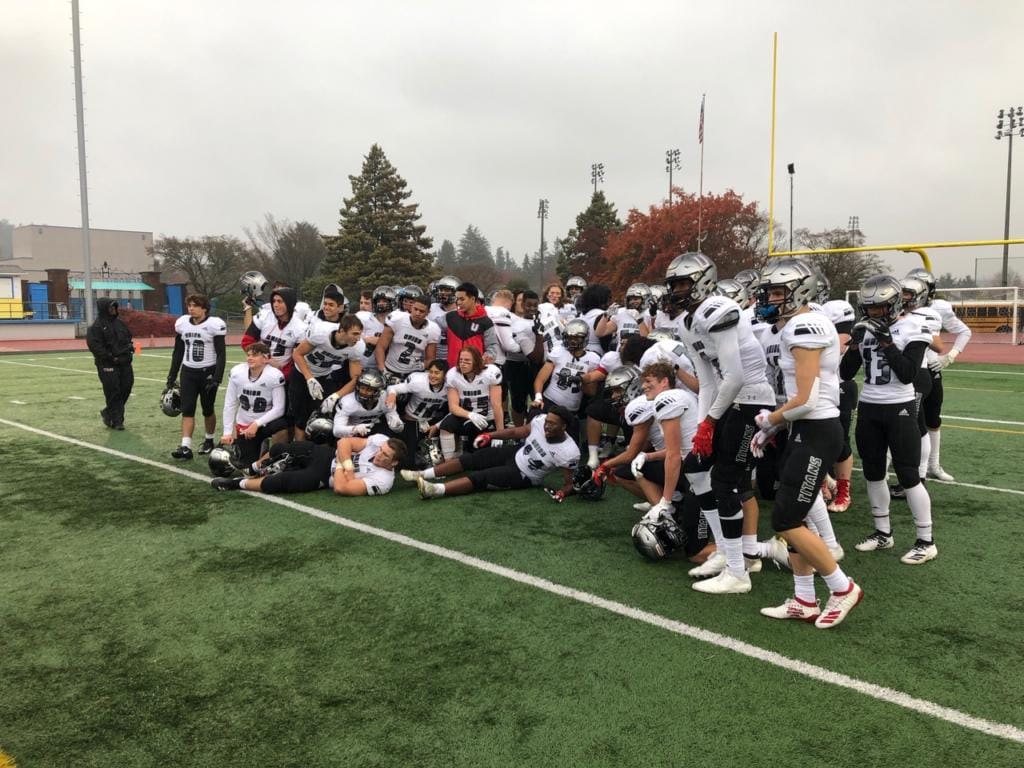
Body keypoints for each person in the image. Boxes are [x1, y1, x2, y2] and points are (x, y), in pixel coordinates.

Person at [750, 258, 862, 628]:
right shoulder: (795, 325)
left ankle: (842, 587)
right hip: (804, 429)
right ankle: (804, 598)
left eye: (777, 292)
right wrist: (774, 429)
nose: (769, 298)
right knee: (790, 514)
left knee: (786, 518)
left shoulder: (804, 325)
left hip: (816, 428)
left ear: (798, 292)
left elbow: (807, 398)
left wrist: (771, 419)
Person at [667, 252, 776, 594]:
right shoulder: (686, 323)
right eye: (674, 284)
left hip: (752, 399)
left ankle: (737, 572)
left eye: (683, 283)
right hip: (729, 400)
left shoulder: (718, 309)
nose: (677, 290)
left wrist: (711, 420)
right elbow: (708, 381)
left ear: (702, 280)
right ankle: (726, 551)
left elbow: (735, 376)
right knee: (695, 468)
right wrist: (703, 426)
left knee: (726, 480)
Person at [841, 275, 937, 565]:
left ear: (894, 305)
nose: (873, 314)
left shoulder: (914, 327)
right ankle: (883, 532)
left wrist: (887, 342)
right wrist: (856, 345)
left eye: (879, 308)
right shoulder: (865, 329)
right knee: (872, 471)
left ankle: (926, 540)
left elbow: (908, 373)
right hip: (870, 406)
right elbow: (845, 373)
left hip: (900, 407)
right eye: (868, 308)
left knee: (908, 475)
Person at [403, 406, 580, 500]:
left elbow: (569, 482)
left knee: (481, 477)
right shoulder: (540, 421)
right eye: (547, 421)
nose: (547, 426)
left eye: (553, 424)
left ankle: (436, 490)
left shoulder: (569, 451)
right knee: (471, 459)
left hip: (524, 475)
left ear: (564, 427)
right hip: (516, 453)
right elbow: (517, 432)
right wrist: (489, 435)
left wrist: (564, 492)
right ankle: (421, 474)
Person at [905, 267, 973, 481]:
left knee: (932, 419)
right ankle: (904, 465)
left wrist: (950, 356)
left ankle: (933, 464)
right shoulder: (900, 308)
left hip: (930, 369)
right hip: (908, 370)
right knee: (905, 419)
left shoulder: (938, 309)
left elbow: (964, 331)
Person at [212, 434, 404, 496]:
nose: (379, 454)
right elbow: (345, 442)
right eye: (381, 450)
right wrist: (347, 466)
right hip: (326, 455)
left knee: (282, 481)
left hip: (323, 476)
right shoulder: (380, 441)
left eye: (385, 455)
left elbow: (340, 487)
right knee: (282, 449)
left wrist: (339, 463)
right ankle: (251, 469)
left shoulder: (384, 480)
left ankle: (237, 483)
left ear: (394, 462)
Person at [165, 294, 227, 458]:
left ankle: (209, 440)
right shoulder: (183, 323)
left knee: (207, 409)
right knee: (187, 409)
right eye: (189, 305)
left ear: (204, 308)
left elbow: (221, 353)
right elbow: (178, 351)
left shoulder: (214, 325)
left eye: (195, 305)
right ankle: (185, 447)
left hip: (208, 372)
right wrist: (172, 375)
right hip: (188, 372)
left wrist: (217, 378)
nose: (191, 308)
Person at [291, 307, 365, 440]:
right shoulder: (320, 332)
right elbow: (297, 353)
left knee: (319, 417)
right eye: (355, 334)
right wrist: (309, 378)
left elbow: (356, 378)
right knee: (300, 418)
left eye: (359, 334)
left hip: (324, 376)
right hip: (301, 373)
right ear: (341, 330)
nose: (358, 338)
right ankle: (299, 448)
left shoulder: (357, 347)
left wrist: (336, 396)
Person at [221, 342, 288, 471]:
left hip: (264, 424)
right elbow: (230, 403)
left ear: (266, 358)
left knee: (282, 426)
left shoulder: (274, 376)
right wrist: (227, 432)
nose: (250, 358)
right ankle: (256, 449)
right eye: (249, 355)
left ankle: (275, 456)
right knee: (246, 467)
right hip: (245, 427)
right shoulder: (237, 373)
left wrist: (257, 424)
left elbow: (279, 408)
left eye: (255, 355)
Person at [437, 346, 504, 458]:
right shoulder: (453, 375)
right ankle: (449, 462)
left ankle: (467, 448)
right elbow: (453, 407)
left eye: (467, 361)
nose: (462, 364)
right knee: (446, 424)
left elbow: (496, 405)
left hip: (486, 419)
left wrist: (500, 433)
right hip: (466, 416)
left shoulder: (491, 373)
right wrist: (470, 415)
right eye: (461, 360)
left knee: (482, 458)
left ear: (476, 361)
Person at [86, 297, 134, 430]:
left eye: (114, 307)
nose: (113, 310)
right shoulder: (96, 327)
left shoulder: (120, 324)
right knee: (113, 391)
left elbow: (129, 338)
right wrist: (110, 357)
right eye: (110, 307)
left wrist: (129, 349)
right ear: (104, 309)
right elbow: (95, 347)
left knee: (126, 387)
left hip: (125, 362)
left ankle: (108, 412)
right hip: (108, 364)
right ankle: (117, 420)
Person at [241, 286, 306, 376]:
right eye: (274, 301)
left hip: (283, 374)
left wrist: (282, 371)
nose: (275, 305)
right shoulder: (265, 316)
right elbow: (246, 341)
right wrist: (264, 358)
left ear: (289, 303)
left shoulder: (300, 328)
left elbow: (298, 358)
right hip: (259, 369)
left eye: (280, 301)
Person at [376, 294, 440, 380]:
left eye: (422, 311)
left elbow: (430, 359)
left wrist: (422, 365)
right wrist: (382, 369)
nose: (417, 313)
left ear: (428, 312)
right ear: (411, 307)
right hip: (390, 370)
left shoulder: (432, 329)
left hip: (413, 374)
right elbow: (381, 346)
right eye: (415, 309)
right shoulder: (397, 319)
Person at [442, 282, 499, 367]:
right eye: (457, 299)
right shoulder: (449, 317)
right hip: (452, 372)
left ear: (472, 299)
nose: (458, 302)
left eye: (462, 299)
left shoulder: (486, 322)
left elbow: (492, 347)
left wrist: (481, 362)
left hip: (475, 374)